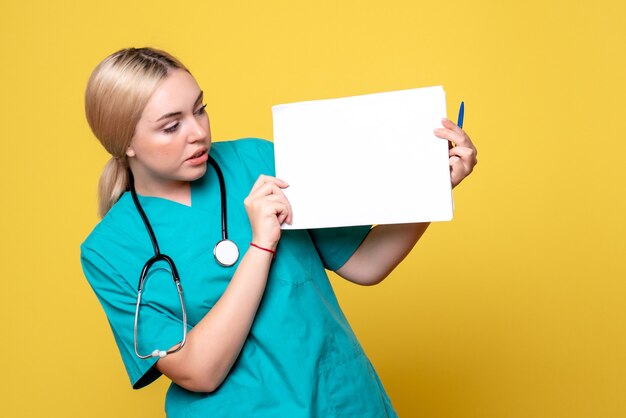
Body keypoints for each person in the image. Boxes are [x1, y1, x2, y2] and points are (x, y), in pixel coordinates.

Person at [80, 47, 477, 417]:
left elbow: (366, 263)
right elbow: (199, 371)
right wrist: (261, 245)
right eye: (171, 126)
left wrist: (432, 187)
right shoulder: (110, 250)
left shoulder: (259, 159)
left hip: (343, 401)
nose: (198, 132)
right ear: (125, 142)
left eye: (200, 110)